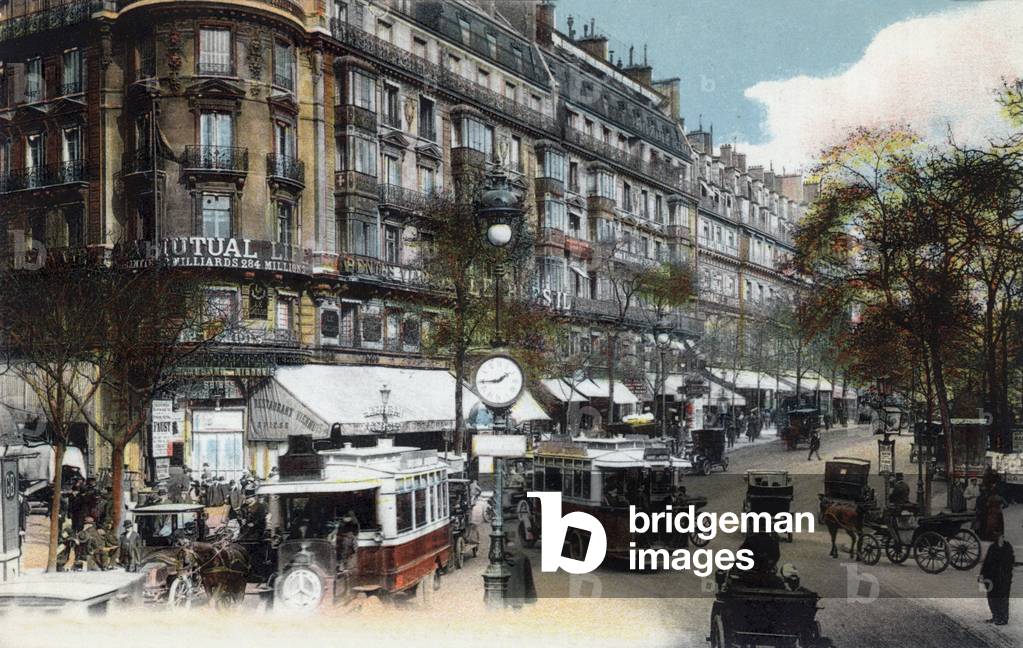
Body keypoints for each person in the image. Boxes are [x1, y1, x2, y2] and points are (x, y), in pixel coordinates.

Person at [979, 532, 1014, 625]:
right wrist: (981, 575)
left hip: (1003, 578)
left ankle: (1003, 618)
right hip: (991, 577)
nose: (998, 538)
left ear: (1003, 537)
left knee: (1002, 598)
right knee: (991, 597)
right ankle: (995, 616)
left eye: (999, 536)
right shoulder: (992, 547)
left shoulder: (1007, 548)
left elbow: (1009, 563)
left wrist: (1005, 575)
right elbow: (986, 562)